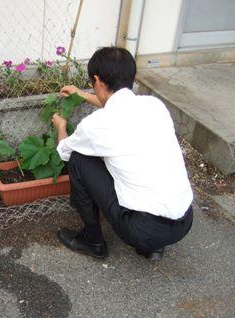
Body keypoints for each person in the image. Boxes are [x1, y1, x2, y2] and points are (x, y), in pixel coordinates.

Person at [51, 47, 193, 261]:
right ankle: (154, 248)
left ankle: (92, 240)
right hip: (184, 221)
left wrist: (60, 126)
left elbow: (64, 151)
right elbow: (116, 103)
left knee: (78, 159)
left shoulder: (96, 125)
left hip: (144, 229)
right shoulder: (154, 105)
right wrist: (80, 94)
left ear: (97, 80)